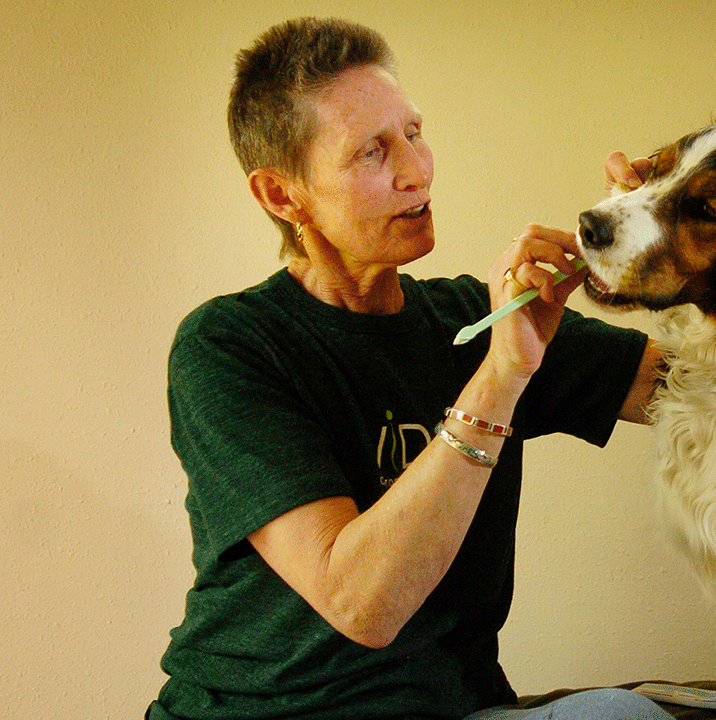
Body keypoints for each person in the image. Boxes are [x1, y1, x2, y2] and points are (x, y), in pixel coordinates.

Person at [148, 17, 668, 720]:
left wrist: (669, 229)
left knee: (621, 716)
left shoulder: (470, 316)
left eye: (414, 134)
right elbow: (364, 604)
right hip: (262, 712)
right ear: (281, 195)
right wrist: (502, 377)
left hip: (455, 708)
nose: (415, 171)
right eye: (371, 152)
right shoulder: (230, 346)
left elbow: (712, 390)